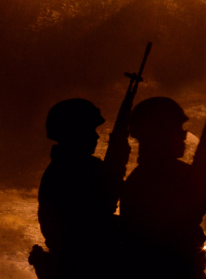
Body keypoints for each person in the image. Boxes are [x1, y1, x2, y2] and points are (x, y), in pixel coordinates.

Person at [120, 97, 206, 279]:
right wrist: (204, 185)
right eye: (177, 130)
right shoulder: (155, 179)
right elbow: (174, 233)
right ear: (161, 135)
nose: (183, 135)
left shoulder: (146, 177)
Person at [30, 98, 130, 279]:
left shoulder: (64, 169)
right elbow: (102, 209)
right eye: (90, 130)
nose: (96, 136)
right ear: (74, 132)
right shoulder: (73, 171)